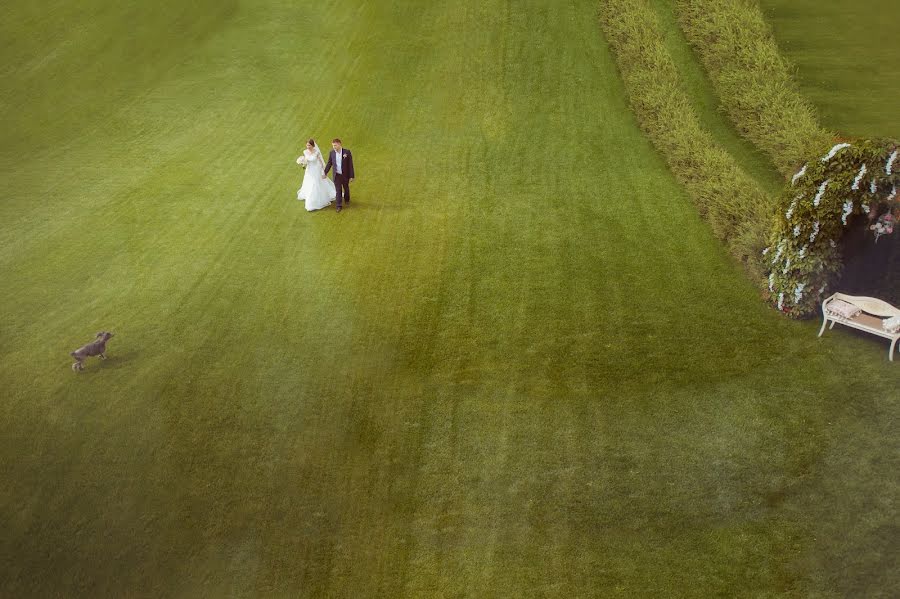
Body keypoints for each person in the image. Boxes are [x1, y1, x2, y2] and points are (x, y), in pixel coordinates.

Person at [296, 139, 335, 211]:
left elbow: (320, 161)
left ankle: (314, 201)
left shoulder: (316, 152)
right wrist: (303, 162)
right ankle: (311, 199)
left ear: (313, 145)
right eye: (307, 145)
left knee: (315, 184)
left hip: (316, 170)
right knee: (310, 183)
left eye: (309, 145)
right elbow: (306, 160)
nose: (308, 146)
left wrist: (324, 171)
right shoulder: (305, 152)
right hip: (309, 171)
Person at [323, 138, 355, 213]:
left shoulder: (347, 152)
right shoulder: (332, 153)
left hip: (345, 175)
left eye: (335, 145)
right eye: (333, 146)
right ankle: (339, 205)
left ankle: (347, 199)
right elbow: (329, 163)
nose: (334, 147)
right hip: (336, 175)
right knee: (338, 190)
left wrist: (351, 176)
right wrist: (325, 172)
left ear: (340, 144)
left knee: (346, 188)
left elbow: (350, 165)